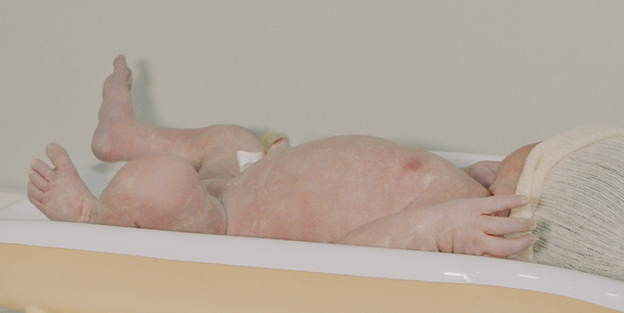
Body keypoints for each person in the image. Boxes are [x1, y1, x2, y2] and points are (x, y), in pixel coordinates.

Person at [27, 57, 537, 255]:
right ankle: (123, 135)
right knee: (232, 139)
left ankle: (89, 215)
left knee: (164, 183)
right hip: (254, 175)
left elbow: (351, 260)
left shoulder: (456, 236)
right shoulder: (476, 200)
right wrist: (464, 177)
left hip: (223, 224)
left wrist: (441, 229)